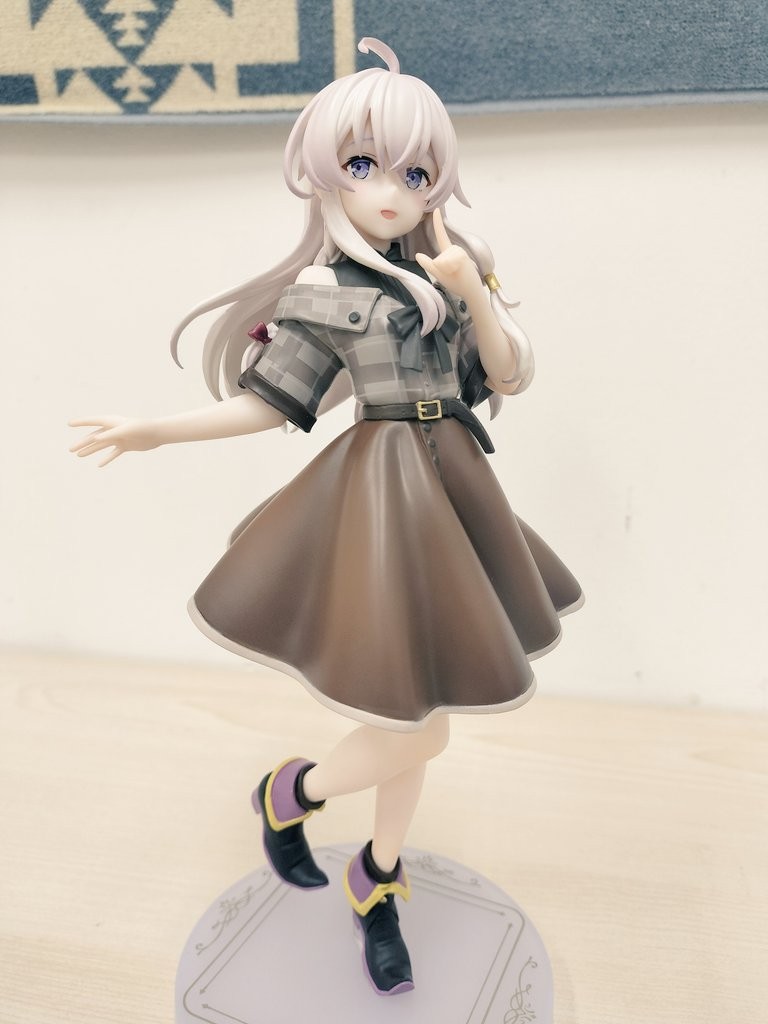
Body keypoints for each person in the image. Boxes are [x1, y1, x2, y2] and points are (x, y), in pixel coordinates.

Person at [71, 38, 583, 996]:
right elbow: (270, 404)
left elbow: (509, 374)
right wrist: (156, 431)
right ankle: (295, 794)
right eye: (363, 165)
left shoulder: (453, 268)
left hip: (456, 484)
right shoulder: (326, 294)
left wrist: (470, 293)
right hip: (383, 498)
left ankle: (373, 875)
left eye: (416, 173)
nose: (391, 191)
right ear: (326, 172)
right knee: (418, 724)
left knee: (418, 710)